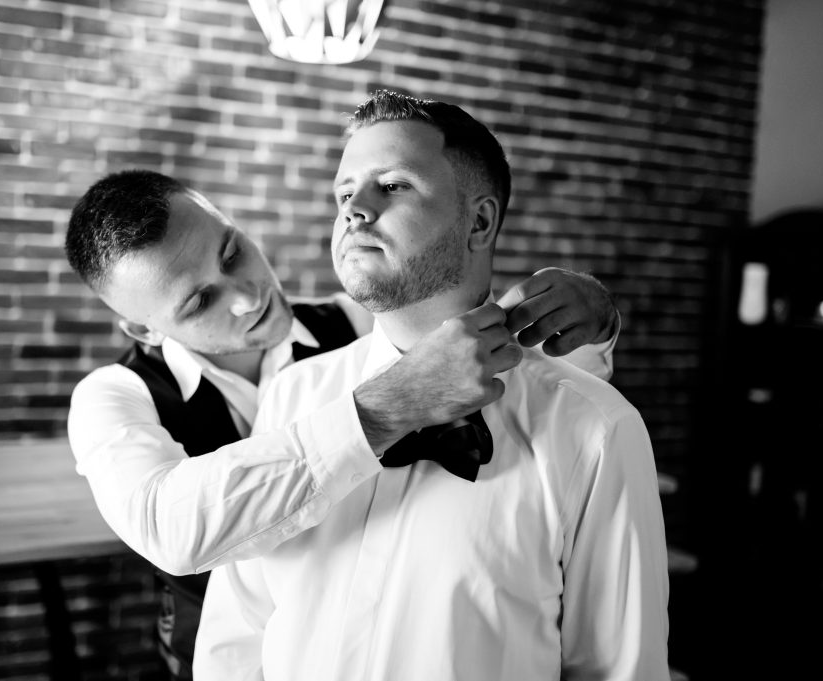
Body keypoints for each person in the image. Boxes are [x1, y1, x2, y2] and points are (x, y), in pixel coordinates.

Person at [65, 171, 620, 679]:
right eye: (200, 300)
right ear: (143, 330)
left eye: (232, 253)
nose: (248, 295)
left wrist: (590, 326)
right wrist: (390, 405)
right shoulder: (112, 396)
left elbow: (525, 388)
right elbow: (167, 527)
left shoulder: (356, 323)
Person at [193, 91, 668, 680]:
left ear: (479, 221)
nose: (354, 211)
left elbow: (620, 669)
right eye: (344, 193)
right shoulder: (293, 393)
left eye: (393, 185)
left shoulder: (593, 428)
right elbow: (237, 634)